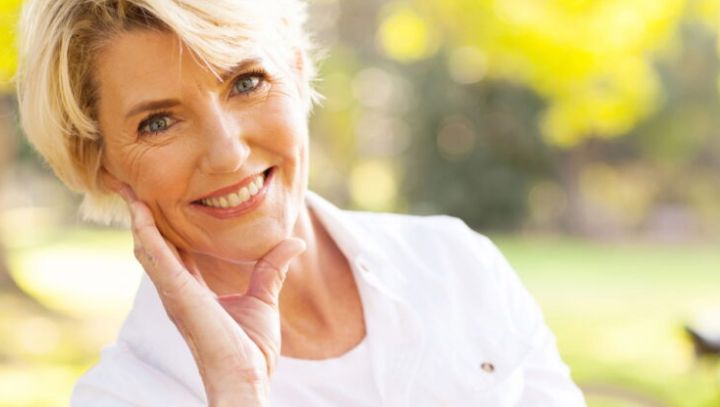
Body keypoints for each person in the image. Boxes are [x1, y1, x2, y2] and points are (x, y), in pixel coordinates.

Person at [15, 0, 586, 405]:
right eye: (159, 122)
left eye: (246, 82)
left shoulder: (456, 261)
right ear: (100, 160)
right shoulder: (122, 397)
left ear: (297, 66)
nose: (228, 154)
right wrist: (238, 391)